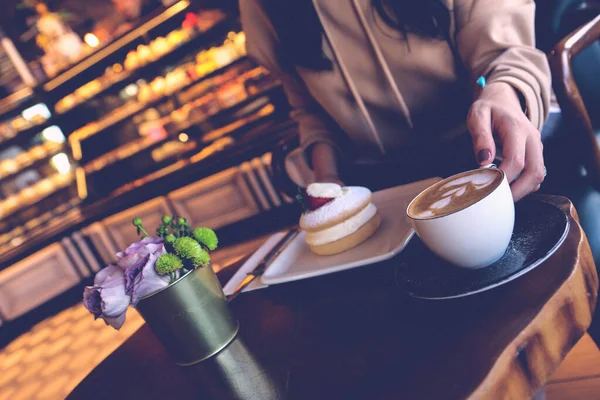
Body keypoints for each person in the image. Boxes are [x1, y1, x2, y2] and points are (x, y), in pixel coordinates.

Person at [239, 0, 551, 200]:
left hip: (481, 151)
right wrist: (327, 179)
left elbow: (501, 54)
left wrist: (501, 92)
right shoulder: (261, 7)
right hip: (383, 186)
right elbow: (310, 111)